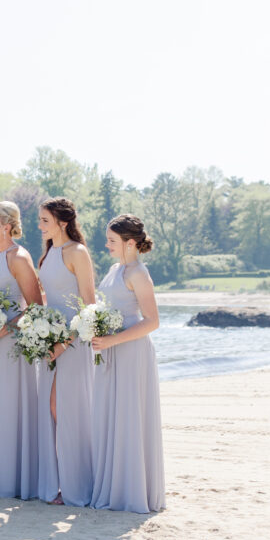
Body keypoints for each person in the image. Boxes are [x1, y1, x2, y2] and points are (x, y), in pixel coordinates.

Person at [90, 215, 165, 513]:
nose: (106, 245)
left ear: (130, 243)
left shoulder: (138, 274)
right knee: (111, 417)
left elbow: (152, 321)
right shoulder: (114, 269)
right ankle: (113, 485)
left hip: (131, 353)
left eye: (111, 240)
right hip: (110, 351)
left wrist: (111, 341)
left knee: (130, 418)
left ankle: (132, 492)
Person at [0, 202, 43, 499]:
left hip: (11, 344)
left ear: (6, 226)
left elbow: (36, 307)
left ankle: (15, 481)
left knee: (10, 407)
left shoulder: (18, 257)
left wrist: (1, 331)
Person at [36, 198, 95, 507]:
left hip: (72, 341)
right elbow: (48, 299)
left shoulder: (77, 252)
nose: (40, 225)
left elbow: (88, 304)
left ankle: (76, 485)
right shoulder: (47, 255)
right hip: (49, 340)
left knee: (67, 410)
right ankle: (57, 482)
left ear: (62, 222)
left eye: (45, 220)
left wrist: (63, 342)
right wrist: (39, 331)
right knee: (51, 411)